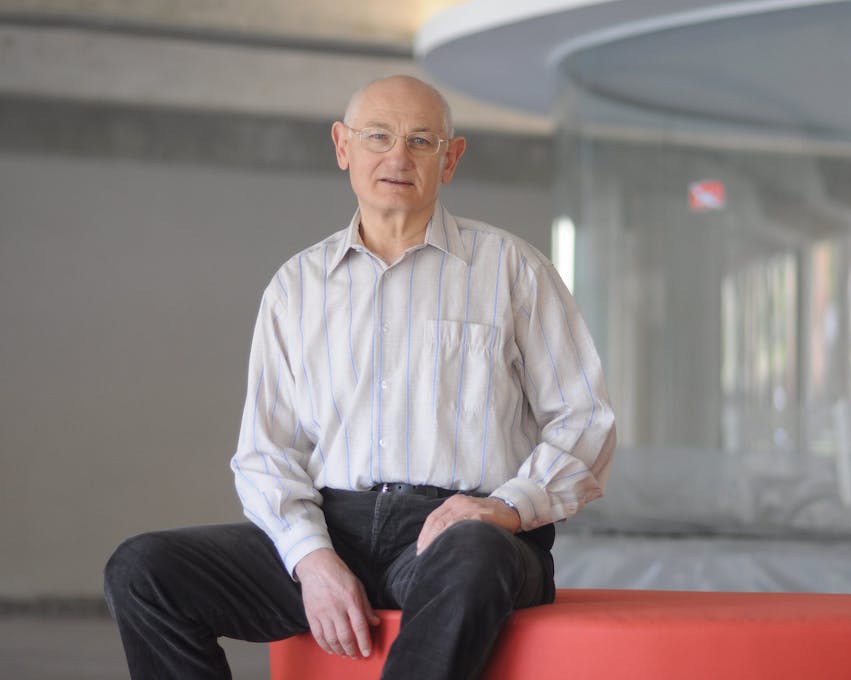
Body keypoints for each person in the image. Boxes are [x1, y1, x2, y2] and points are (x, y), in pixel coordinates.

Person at [104, 74, 615, 680]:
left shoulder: (513, 269)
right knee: (143, 569)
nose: (398, 157)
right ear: (343, 146)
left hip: (466, 534)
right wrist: (312, 558)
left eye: (421, 140)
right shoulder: (296, 287)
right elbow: (267, 452)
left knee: (472, 552)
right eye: (378, 136)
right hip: (335, 528)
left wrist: (505, 507)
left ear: (451, 159)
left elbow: (585, 419)